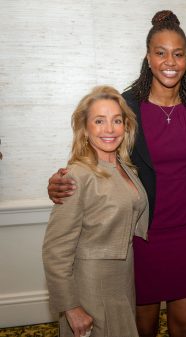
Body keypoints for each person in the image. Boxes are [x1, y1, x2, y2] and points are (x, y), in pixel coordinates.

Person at [47, 10, 186, 337]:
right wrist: (59, 180)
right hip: (141, 235)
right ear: (148, 57)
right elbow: (97, 149)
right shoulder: (128, 105)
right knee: (141, 326)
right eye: (160, 53)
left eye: (178, 54)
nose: (169, 61)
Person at [42, 85, 149, 337]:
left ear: (126, 126)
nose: (109, 129)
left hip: (121, 278)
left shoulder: (125, 168)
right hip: (91, 283)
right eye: (99, 121)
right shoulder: (77, 175)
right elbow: (55, 251)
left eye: (116, 121)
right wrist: (71, 306)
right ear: (85, 129)